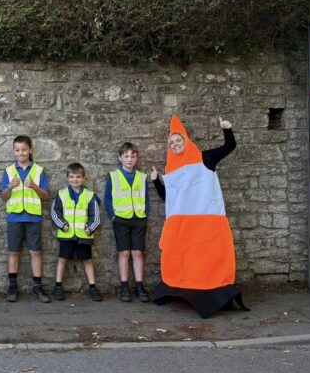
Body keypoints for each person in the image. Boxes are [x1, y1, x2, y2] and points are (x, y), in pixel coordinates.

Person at [150, 116, 246, 318]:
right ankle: (180, 289)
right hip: (182, 226)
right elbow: (170, 198)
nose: (175, 144)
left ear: (186, 140)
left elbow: (229, 146)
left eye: (178, 140)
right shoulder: (171, 170)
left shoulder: (205, 158)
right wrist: (157, 182)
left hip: (207, 223)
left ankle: (213, 294)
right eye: (172, 143)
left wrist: (227, 130)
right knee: (181, 260)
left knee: (209, 259)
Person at [0, 135, 51, 303]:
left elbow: (46, 196)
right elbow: (3, 196)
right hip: (14, 217)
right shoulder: (8, 171)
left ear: (30, 150)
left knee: (35, 252)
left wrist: (35, 187)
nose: (20, 153)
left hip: (33, 217)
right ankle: (12, 287)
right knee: (13, 252)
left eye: (23, 150)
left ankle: (37, 287)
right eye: (17, 150)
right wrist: (9, 186)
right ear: (14, 152)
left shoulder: (39, 171)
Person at [104, 142, 151, 303]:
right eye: (126, 156)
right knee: (124, 253)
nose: (129, 159)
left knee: (137, 253)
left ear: (137, 158)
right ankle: (124, 286)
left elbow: (146, 198)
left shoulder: (142, 177)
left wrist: (145, 214)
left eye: (132, 156)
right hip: (121, 219)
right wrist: (113, 216)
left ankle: (139, 285)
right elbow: (108, 198)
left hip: (138, 219)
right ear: (120, 158)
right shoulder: (113, 176)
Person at [51, 163, 103, 302]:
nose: (75, 180)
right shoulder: (61, 194)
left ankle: (93, 288)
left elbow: (96, 216)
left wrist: (90, 228)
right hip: (66, 235)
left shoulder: (89, 195)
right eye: (72, 177)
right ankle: (58, 287)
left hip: (84, 235)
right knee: (62, 260)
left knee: (87, 261)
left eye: (78, 177)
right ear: (67, 178)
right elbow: (55, 212)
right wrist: (62, 225)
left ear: (84, 178)